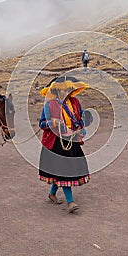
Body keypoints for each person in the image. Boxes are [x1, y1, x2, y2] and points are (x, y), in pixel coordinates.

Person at [38, 76, 90, 213]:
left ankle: (52, 194)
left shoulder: (75, 103)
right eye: (63, 90)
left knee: (61, 172)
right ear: (56, 91)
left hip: (72, 141)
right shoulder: (49, 105)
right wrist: (54, 122)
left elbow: (81, 118)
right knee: (64, 172)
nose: (66, 92)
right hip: (57, 143)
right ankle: (71, 202)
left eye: (68, 89)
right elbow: (42, 124)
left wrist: (81, 127)